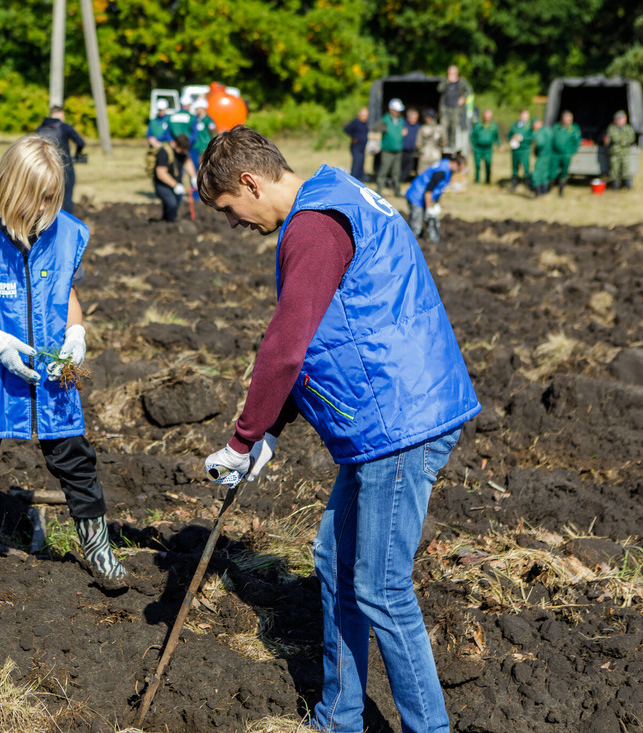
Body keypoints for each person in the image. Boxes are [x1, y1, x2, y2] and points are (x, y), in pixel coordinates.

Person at [197, 125, 479, 733]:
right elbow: (331, 337)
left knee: (381, 587)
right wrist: (274, 430)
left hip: (399, 421)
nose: (232, 223)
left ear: (249, 182)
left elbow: (287, 346)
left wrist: (245, 437)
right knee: (333, 558)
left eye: (228, 209)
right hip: (384, 413)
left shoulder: (315, 226)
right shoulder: (334, 192)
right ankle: (338, 717)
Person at [0, 134, 129, 601]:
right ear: (13, 188)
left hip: (47, 368)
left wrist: (76, 332)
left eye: (54, 196)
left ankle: (97, 546)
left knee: (74, 455)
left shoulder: (66, 231)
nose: (47, 207)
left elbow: (66, 292)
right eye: (40, 197)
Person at [405, 154, 466, 243]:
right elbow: (428, 192)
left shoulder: (446, 166)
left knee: (428, 221)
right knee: (416, 226)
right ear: (455, 163)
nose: (458, 172)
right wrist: (429, 208)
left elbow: (439, 188)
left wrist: (436, 203)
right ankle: (410, 245)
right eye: (459, 169)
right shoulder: (441, 172)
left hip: (422, 197)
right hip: (416, 196)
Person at [35, 105, 86, 214]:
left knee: (45, 198)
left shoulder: (40, 128)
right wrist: (77, 155)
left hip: (44, 168)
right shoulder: (64, 127)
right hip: (64, 167)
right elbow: (81, 142)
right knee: (66, 197)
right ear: (61, 114)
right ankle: (65, 224)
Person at [152, 133, 197, 223]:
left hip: (177, 183)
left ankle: (166, 221)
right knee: (171, 203)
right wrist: (175, 185)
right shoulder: (164, 152)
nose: (181, 152)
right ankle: (170, 223)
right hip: (162, 185)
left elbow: (187, 162)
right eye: (180, 149)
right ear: (175, 144)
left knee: (175, 205)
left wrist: (193, 177)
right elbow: (160, 173)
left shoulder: (182, 152)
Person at [374, 98, 406, 197]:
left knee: (396, 172)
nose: (398, 112)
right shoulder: (385, 119)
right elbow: (375, 128)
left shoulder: (401, 120)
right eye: (397, 110)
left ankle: (397, 191)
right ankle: (378, 191)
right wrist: (382, 129)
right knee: (383, 171)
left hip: (398, 150)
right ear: (391, 109)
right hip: (387, 150)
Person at [437, 65, 472, 151]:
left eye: (452, 73)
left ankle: (453, 146)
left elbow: (469, 90)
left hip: (456, 110)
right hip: (445, 109)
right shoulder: (445, 81)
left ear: (457, 74)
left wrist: (463, 97)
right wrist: (447, 82)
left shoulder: (462, 82)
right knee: (444, 127)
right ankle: (444, 145)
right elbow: (439, 89)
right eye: (449, 73)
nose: (450, 75)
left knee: (454, 128)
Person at [549, 110, 581, 196]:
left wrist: (572, 151)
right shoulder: (556, 127)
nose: (568, 121)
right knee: (553, 171)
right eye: (567, 119)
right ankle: (550, 187)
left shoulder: (574, 128)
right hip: (555, 154)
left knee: (564, 172)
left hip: (566, 154)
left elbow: (577, 141)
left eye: (570, 119)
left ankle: (561, 190)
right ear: (562, 119)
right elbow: (551, 139)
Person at [604, 110, 636, 190]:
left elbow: (631, 138)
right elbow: (613, 138)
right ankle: (615, 187)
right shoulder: (612, 128)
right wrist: (623, 141)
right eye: (619, 119)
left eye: (623, 119)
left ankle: (627, 186)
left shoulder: (628, 128)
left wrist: (621, 141)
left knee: (626, 169)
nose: (621, 120)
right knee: (615, 170)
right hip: (615, 153)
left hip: (625, 152)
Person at [469, 108, 500, 184]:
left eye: (489, 117)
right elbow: (472, 136)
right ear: (483, 116)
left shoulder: (493, 126)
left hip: (488, 149)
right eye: (486, 116)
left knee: (488, 164)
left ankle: (488, 180)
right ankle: (477, 180)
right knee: (477, 165)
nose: (487, 118)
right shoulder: (478, 125)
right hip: (478, 148)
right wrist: (474, 145)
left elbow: (496, 137)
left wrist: (500, 145)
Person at [507, 109, 534, 191]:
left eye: (527, 116)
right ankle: (514, 184)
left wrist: (521, 138)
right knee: (515, 167)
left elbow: (532, 138)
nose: (526, 117)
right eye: (524, 115)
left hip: (524, 149)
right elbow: (508, 136)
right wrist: (512, 138)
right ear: (520, 116)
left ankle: (528, 185)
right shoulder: (514, 126)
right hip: (515, 150)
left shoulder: (530, 127)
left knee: (526, 167)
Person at [343, 107, 370, 182]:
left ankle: (360, 179)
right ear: (359, 115)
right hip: (356, 147)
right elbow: (346, 129)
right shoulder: (355, 122)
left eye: (366, 116)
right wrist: (354, 136)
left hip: (363, 147)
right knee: (356, 164)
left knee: (361, 164)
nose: (365, 117)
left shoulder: (364, 124)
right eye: (364, 115)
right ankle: (353, 180)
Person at [415, 108, 445, 173]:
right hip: (435, 154)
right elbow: (443, 142)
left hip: (426, 154)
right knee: (434, 173)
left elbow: (418, 143)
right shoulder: (440, 128)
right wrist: (439, 149)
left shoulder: (423, 128)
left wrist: (422, 150)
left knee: (423, 174)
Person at [530, 119, 552, 197]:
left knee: (536, 175)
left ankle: (538, 193)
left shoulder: (540, 132)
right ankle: (545, 192)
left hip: (542, 155)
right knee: (545, 174)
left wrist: (535, 150)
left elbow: (540, 143)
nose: (533, 127)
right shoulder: (548, 130)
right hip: (549, 155)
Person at [400, 107, 421, 182]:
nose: (414, 120)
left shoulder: (418, 127)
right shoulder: (402, 124)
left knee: (409, 168)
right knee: (398, 168)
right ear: (408, 117)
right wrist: (400, 134)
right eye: (412, 118)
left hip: (411, 151)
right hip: (402, 150)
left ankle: (401, 180)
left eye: (415, 118)